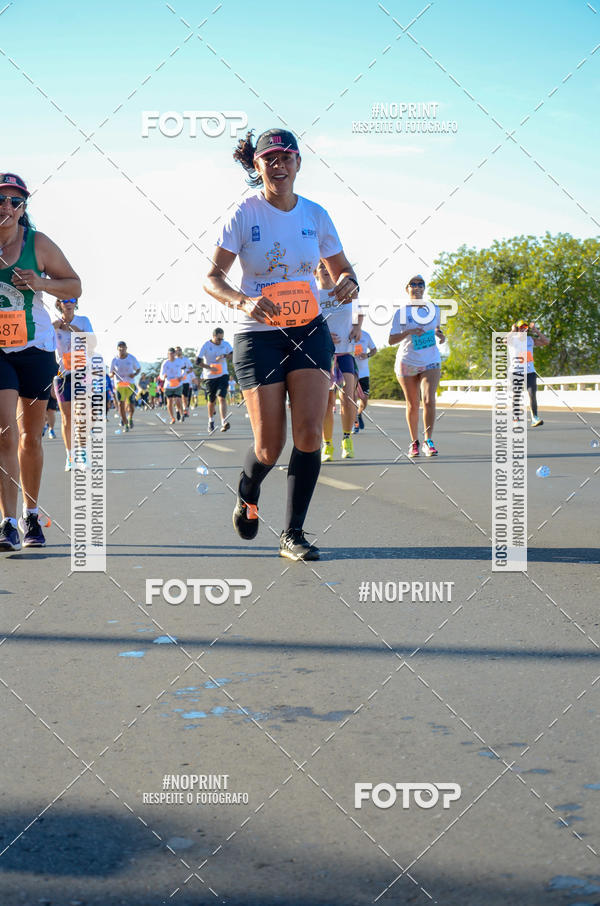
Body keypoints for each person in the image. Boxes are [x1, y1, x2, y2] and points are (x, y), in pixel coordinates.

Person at [204, 128, 358, 561]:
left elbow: (343, 270)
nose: (279, 163)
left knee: (309, 434)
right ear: (257, 166)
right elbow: (211, 277)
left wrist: (349, 283)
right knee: (270, 444)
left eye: (287, 156)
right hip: (258, 336)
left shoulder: (316, 215)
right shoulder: (243, 213)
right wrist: (243, 301)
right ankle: (248, 491)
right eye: (269, 157)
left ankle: (293, 533)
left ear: (298, 164)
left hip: (309, 330)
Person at [0, 173, 81, 550]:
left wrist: (42, 283)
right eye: (1, 199)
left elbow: (74, 285)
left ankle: (32, 516)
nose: (6, 207)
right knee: (5, 434)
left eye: (14, 201)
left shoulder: (39, 244)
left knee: (30, 437)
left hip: (34, 347)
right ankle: (8, 522)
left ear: (23, 209)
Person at [389, 274, 445, 458]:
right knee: (413, 404)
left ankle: (429, 441)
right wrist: (409, 331)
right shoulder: (401, 313)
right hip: (408, 361)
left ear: (424, 288)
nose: (417, 286)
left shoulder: (434, 309)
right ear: (407, 289)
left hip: (430, 359)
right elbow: (391, 340)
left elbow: (436, 328)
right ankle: (414, 442)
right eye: (413, 284)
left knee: (429, 400)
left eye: (421, 283)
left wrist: (440, 334)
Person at [317, 260, 362, 462]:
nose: (326, 270)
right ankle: (327, 445)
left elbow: (359, 312)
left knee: (348, 397)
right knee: (326, 404)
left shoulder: (345, 290)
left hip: (345, 352)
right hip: (323, 355)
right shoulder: (312, 295)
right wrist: (322, 335)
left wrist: (357, 327)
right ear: (315, 272)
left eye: (328, 267)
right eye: (321, 268)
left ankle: (347, 439)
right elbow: (305, 324)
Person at [52, 298, 94, 471]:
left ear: (75, 302)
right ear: (59, 303)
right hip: (61, 375)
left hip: (82, 373)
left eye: (72, 299)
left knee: (81, 415)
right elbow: (46, 349)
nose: (68, 303)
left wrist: (70, 328)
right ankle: (70, 456)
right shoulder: (53, 325)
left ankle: (82, 454)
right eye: (64, 300)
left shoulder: (83, 321)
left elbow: (91, 343)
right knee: (66, 418)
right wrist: (54, 327)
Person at [511, 319, 549, 427]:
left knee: (532, 394)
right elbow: (504, 340)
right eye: (521, 328)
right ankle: (516, 419)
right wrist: (512, 331)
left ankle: (534, 418)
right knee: (516, 395)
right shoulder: (512, 339)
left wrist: (536, 330)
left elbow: (546, 341)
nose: (523, 330)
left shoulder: (530, 339)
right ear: (517, 328)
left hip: (530, 372)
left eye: (525, 328)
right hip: (516, 371)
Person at [196, 328, 233, 433]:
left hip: (223, 374)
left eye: (222, 339)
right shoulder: (206, 345)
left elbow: (233, 355)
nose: (220, 341)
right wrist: (209, 367)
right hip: (210, 377)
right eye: (218, 339)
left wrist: (224, 355)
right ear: (213, 336)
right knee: (211, 401)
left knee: (221, 397)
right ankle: (211, 420)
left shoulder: (225, 344)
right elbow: (197, 362)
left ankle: (223, 422)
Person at [109, 341, 140, 431]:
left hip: (130, 384)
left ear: (126, 348)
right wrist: (112, 374)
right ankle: (125, 424)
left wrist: (134, 374)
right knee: (121, 404)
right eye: (120, 347)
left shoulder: (131, 358)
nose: (121, 349)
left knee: (131, 406)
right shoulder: (114, 360)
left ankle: (130, 418)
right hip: (119, 385)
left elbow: (138, 368)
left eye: (123, 347)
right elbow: (111, 372)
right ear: (117, 349)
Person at [353, 328, 377, 432]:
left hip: (364, 373)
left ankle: (359, 414)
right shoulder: (346, 334)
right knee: (352, 399)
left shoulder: (366, 335)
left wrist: (367, 355)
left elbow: (374, 350)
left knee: (364, 400)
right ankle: (355, 423)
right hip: (351, 372)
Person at [159, 347, 186, 424]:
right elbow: (161, 375)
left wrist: (182, 376)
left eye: (173, 353)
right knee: (169, 402)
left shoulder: (179, 361)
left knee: (178, 400)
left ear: (175, 354)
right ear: (168, 354)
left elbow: (184, 369)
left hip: (178, 383)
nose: (171, 355)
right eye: (170, 354)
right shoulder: (165, 363)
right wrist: (163, 377)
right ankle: (172, 418)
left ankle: (181, 414)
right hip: (168, 385)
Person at [175, 346, 194, 417]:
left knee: (185, 397)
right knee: (177, 397)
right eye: (177, 350)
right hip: (177, 381)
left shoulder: (186, 359)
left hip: (185, 380)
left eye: (179, 350)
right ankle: (177, 410)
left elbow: (191, 368)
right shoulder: (174, 360)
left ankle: (185, 410)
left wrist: (186, 372)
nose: (178, 352)